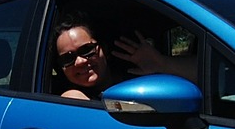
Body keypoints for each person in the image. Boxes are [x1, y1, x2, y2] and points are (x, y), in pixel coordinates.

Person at [52, 15, 193, 100]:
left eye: (86, 50)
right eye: (67, 59)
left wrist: (163, 64)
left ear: (104, 49)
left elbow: (208, 75)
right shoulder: (73, 98)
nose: (80, 61)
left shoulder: (137, 76)